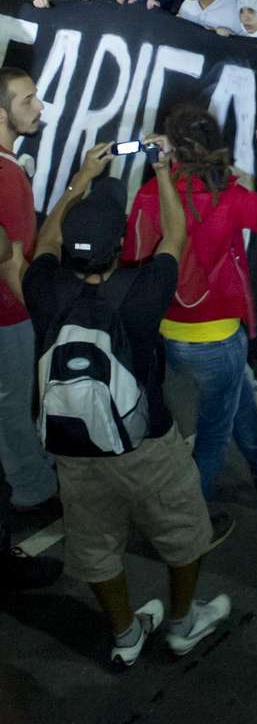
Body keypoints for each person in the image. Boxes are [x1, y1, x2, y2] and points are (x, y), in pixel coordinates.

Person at [18, 141, 231, 667]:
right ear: (119, 244)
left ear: (69, 246)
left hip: (73, 449)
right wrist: (161, 169)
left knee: (94, 546)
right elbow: (175, 236)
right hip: (146, 443)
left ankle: (125, 634)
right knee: (183, 532)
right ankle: (183, 624)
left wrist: (79, 181)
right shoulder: (140, 290)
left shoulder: (43, 286)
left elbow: (43, 241)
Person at [123, 106, 257, 514]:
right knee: (213, 429)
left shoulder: (150, 193)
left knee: (235, 395)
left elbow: (133, 255)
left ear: (171, 145)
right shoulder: (230, 198)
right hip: (217, 338)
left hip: (169, 332)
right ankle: (190, 515)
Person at [0, 71, 58, 516]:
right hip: (10, 318)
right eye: (28, 100)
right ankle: (32, 490)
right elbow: (12, 264)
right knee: (14, 406)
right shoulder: (8, 178)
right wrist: (40, 320)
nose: (39, 107)